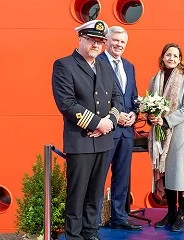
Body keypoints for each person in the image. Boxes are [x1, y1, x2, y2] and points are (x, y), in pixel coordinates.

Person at [52, 20, 124, 240]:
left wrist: (108, 123)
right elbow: (67, 103)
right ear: (80, 38)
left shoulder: (104, 66)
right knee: (77, 194)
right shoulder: (64, 65)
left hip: (103, 140)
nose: (96, 44)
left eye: (100, 41)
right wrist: (96, 123)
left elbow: (117, 99)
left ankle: (91, 233)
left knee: (95, 193)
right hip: (80, 140)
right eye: (92, 39)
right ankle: (74, 236)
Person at [147, 43, 184, 232]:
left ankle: (181, 214)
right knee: (166, 173)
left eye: (176, 56)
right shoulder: (155, 79)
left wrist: (165, 120)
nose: (172, 58)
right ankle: (170, 212)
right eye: (169, 55)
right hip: (160, 135)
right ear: (162, 57)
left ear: (180, 59)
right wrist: (152, 117)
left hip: (179, 134)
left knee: (179, 174)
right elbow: (150, 104)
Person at [96, 26, 142, 231]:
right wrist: (115, 116)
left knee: (122, 176)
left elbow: (133, 96)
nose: (119, 45)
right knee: (98, 175)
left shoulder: (129, 66)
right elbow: (94, 96)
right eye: (115, 40)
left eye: (122, 42)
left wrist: (134, 114)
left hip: (126, 132)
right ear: (107, 40)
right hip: (106, 129)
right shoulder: (97, 61)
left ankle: (119, 218)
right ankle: (93, 220)